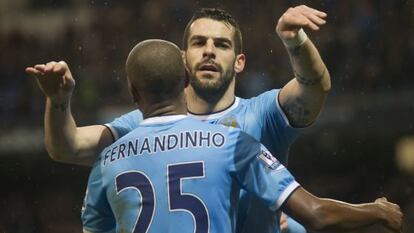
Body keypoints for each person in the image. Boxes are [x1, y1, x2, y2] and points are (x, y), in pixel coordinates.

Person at [26, 5, 330, 233]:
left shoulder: (262, 114)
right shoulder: (143, 125)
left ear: (239, 62)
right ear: (182, 58)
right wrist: (59, 100)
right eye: (199, 43)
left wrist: (295, 41)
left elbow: (313, 88)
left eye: (221, 45)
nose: (209, 51)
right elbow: (67, 147)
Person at [81, 39, 403, 233]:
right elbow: (317, 215)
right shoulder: (229, 142)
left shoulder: (106, 163)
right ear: (185, 78)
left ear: (131, 90)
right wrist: (377, 211)